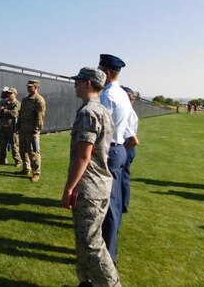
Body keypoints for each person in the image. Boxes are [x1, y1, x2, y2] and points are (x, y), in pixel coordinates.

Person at [62, 67, 121, 287]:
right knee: (83, 239)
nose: (75, 85)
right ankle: (87, 282)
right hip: (98, 184)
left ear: (88, 83)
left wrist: (69, 189)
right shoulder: (102, 110)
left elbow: (84, 156)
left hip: (89, 186)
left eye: (77, 81)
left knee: (91, 242)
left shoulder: (89, 112)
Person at [98, 54, 131, 263]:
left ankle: (107, 255)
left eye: (100, 69)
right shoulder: (122, 94)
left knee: (107, 204)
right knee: (115, 201)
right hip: (119, 149)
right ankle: (111, 248)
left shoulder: (107, 96)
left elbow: (102, 128)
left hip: (109, 149)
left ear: (107, 72)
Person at [18, 79, 46, 182]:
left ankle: (36, 172)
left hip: (32, 130)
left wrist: (36, 130)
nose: (28, 88)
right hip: (23, 129)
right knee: (23, 150)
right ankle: (26, 168)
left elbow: (40, 117)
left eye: (30, 86)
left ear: (36, 87)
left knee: (34, 152)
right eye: (28, 86)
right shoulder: (25, 100)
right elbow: (20, 114)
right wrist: (18, 126)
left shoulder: (39, 100)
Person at [121, 86, 139, 214]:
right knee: (123, 177)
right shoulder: (130, 111)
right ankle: (122, 205)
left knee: (122, 178)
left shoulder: (127, 113)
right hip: (127, 147)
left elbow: (133, 140)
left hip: (126, 146)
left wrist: (121, 151)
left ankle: (121, 206)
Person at [0, 87, 21, 166]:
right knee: (2, 145)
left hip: (12, 127)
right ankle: (2, 160)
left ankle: (18, 161)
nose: (8, 94)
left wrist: (4, 110)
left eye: (10, 93)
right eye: (8, 93)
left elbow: (14, 113)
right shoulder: (4, 101)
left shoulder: (17, 103)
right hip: (3, 126)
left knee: (14, 145)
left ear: (14, 94)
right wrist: (0, 110)